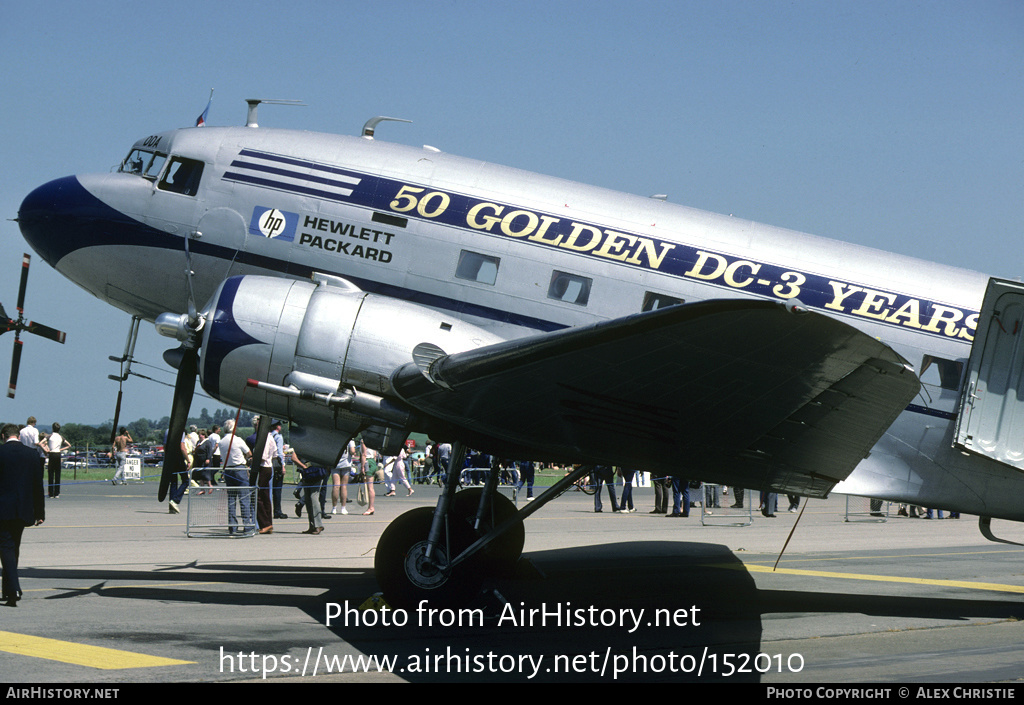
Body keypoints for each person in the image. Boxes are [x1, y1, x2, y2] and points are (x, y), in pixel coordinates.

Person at [0, 423, 45, 606]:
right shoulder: (32, 454)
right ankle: (7, 589)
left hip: (3, 509)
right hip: (23, 510)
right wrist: (40, 512)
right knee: (13, 548)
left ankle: (14, 589)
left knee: (6, 548)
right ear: (18, 435)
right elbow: (38, 486)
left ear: (3, 436)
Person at [219, 419, 253, 535]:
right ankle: (247, 525)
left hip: (228, 469)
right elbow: (249, 453)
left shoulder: (221, 441)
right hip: (239, 468)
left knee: (231, 499)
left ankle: (232, 526)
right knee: (244, 498)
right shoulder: (237, 440)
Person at [44, 423, 70, 498]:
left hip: (52, 454)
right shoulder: (61, 437)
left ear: (52, 429)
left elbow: (40, 442)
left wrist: (47, 448)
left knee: (51, 473)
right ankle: (57, 493)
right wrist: (60, 449)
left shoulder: (49, 436)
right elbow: (69, 445)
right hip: (58, 454)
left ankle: (51, 493)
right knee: (57, 473)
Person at [331, 439, 357, 514]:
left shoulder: (335, 439)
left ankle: (334, 508)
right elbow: (352, 451)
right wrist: (354, 452)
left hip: (336, 464)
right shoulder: (350, 440)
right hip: (346, 464)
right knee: (344, 486)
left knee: (336, 486)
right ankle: (343, 507)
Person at [269, 421, 288, 519]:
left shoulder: (269, 436)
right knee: (277, 489)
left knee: (270, 488)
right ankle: (277, 510)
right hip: (277, 463)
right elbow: (280, 453)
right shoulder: (278, 437)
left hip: (269, 462)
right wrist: (283, 466)